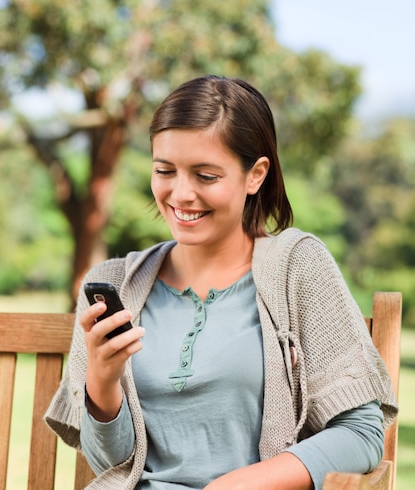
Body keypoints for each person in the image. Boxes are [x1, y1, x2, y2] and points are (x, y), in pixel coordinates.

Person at [45, 75, 398, 490]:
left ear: (256, 175)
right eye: (164, 170)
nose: (180, 193)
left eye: (206, 176)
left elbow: (361, 434)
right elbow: (114, 468)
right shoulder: (113, 284)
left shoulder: (297, 266)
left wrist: (232, 486)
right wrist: (102, 385)